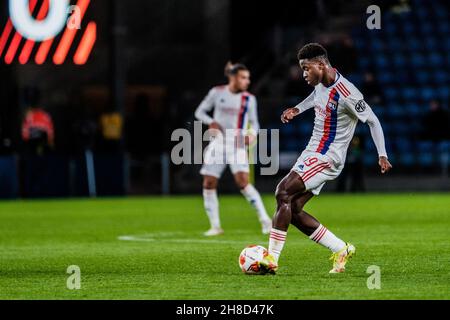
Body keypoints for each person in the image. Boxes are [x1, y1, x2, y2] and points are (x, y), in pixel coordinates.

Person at [260, 43, 392, 274]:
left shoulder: (348, 93)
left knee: (282, 192)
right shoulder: (322, 84)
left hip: (327, 157)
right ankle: (341, 248)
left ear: (321, 65)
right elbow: (314, 98)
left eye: (306, 68)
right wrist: (296, 110)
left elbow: (373, 120)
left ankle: (271, 259)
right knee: (293, 209)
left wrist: (382, 154)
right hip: (312, 153)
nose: (303, 74)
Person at [195, 62, 272, 236]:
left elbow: (256, 123)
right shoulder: (217, 92)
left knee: (243, 182)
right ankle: (215, 226)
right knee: (208, 183)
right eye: (243, 77)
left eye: (248, 78)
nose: (247, 81)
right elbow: (200, 112)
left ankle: (265, 220)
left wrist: (252, 134)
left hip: (237, 143)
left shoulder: (249, 99)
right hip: (218, 143)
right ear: (233, 78)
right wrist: (210, 122)